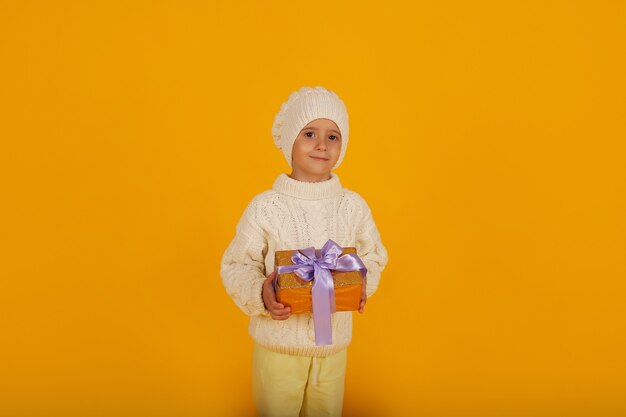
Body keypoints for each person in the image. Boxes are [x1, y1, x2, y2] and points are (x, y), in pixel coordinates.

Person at [220, 86, 389, 417]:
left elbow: (374, 257)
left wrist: (360, 286)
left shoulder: (352, 206)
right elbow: (237, 265)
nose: (322, 145)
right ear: (290, 142)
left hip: (333, 349)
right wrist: (261, 292)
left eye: (333, 136)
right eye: (310, 133)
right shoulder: (266, 207)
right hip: (278, 350)